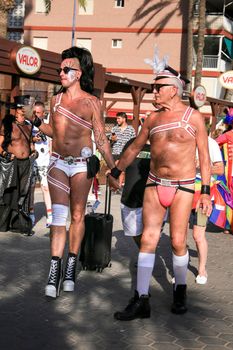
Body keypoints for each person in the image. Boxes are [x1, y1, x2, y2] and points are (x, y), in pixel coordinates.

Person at [108, 62, 212, 319]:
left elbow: (205, 158)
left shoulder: (193, 117)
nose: (154, 92)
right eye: (154, 88)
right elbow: (133, 149)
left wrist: (207, 192)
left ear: (174, 90)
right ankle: (141, 298)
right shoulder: (152, 119)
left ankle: (180, 289)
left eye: (158, 88)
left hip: (183, 186)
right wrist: (115, 170)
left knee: (178, 241)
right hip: (154, 184)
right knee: (147, 240)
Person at [29, 46, 115, 299]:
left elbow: (100, 137)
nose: (61, 73)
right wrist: (35, 122)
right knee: (58, 216)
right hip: (57, 162)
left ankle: (70, 266)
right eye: (60, 69)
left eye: (66, 69)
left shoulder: (91, 102)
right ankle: (54, 269)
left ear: (78, 74)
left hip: (81, 164)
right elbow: (55, 132)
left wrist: (114, 166)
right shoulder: (55, 101)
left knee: (77, 215)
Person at [0, 95, 37, 235]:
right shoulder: (8, 125)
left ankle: (19, 224)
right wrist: (6, 154)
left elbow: (30, 144)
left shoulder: (29, 125)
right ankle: (5, 223)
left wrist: (34, 152)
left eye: (25, 108)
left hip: (26, 163)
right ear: (17, 109)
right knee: (10, 193)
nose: (24, 110)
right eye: (23, 108)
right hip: (12, 164)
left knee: (23, 193)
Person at [191, 136, 224, 285]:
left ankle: (202, 269)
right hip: (183, 191)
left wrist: (201, 167)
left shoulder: (211, 143)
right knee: (177, 235)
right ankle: (178, 270)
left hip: (203, 192)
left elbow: (220, 169)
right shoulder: (183, 137)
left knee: (198, 235)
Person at [120, 136, 150, 248]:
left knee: (150, 233)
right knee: (134, 232)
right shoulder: (132, 143)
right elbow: (121, 162)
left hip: (153, 197)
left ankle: (147, 255)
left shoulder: (161, 143)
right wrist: (115, 175)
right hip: (131, 196)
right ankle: (144, 252)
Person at [30, 101, 52, 228]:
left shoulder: (47, 126)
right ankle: (31, 214)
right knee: (31, 188)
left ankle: (50, 215)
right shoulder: (29, 125)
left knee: (46, 187)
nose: (36, 115)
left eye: (38, 113)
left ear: (43, 113)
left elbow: (52, 142)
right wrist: (32, 140)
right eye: (34, 112)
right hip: (33, 160)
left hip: (45, 160)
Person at [216, 109, 233, 234]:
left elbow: (213, 143)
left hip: (230, 173)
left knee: (229, 197)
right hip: (230, 172)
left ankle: (228, 225)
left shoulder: (228, 135)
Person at [110, 112, 136, 188]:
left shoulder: (131, 129)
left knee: (122, 170)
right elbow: (110, 141)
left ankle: (119, 186)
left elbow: (133, 142)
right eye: (117, 118)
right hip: (115, 151)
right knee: (114, 169)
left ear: (124, 119)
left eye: (119, 118)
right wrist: (112, 139)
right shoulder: (114, 129)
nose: (117, 120)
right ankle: (114, 186)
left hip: (125, 153)